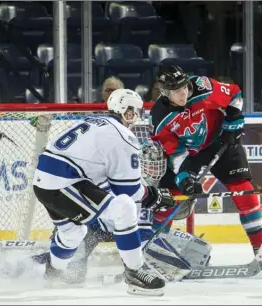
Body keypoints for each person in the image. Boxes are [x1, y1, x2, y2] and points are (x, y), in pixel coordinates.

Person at [33, 88, 170, 296]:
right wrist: (153, 195)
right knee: (124, 208)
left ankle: (52, 275)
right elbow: (129, 193)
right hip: (64, 184)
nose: (138, 117)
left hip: (45, 181)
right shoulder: (123, 137)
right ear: (128, 112)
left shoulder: (92, 121)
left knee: (73, 233)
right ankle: (134, 272)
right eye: (137, 112)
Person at [149, 64, 262, 272]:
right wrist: (185, 177)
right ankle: (153, 249)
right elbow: (175, 152)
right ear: (164, 92)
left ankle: (259, 248)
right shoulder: (159, 115)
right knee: (169, 197)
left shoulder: (202, 86)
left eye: (184, 88)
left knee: (244, 192)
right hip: (191, 154)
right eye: (176, 92)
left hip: (221, 142)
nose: (183, 94)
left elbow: (234, 94)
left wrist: (233, 120)